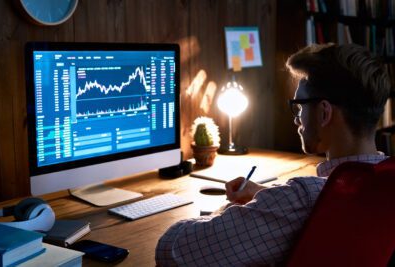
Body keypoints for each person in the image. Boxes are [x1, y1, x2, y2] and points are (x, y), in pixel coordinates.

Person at [155, 43, 392, 266]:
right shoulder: (384, 182)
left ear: (323, 113)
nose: (298, 119)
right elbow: (331, 200)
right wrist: (267, 195)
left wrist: (230, 211)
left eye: (300, 106)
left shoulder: (300, 199)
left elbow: (173, 251)